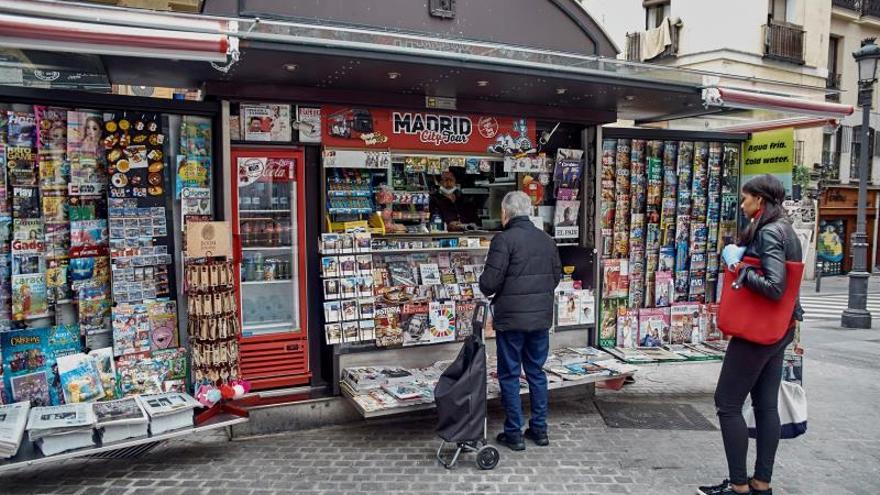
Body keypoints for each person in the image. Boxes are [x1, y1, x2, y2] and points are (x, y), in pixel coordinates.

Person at [699, 174, 803, 495]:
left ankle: (739, 485)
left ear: (760, 199)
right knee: (765, 405)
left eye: (745, 199)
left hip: (756, 332)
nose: (742, 205)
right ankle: (761, 483)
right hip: (779, 329)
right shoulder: (787, 230)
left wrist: (738, 266)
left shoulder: (770, 232)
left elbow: (775, 287)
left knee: (727, 403)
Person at [478, 191, 561, 451]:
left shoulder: (504, 240)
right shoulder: (546, 240)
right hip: (539, 319)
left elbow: (488, 284)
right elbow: (555, 277)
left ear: (505, 213)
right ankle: (540, 430)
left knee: (510, 374)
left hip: (511, 321)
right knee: (536, 373)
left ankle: (513, 433)